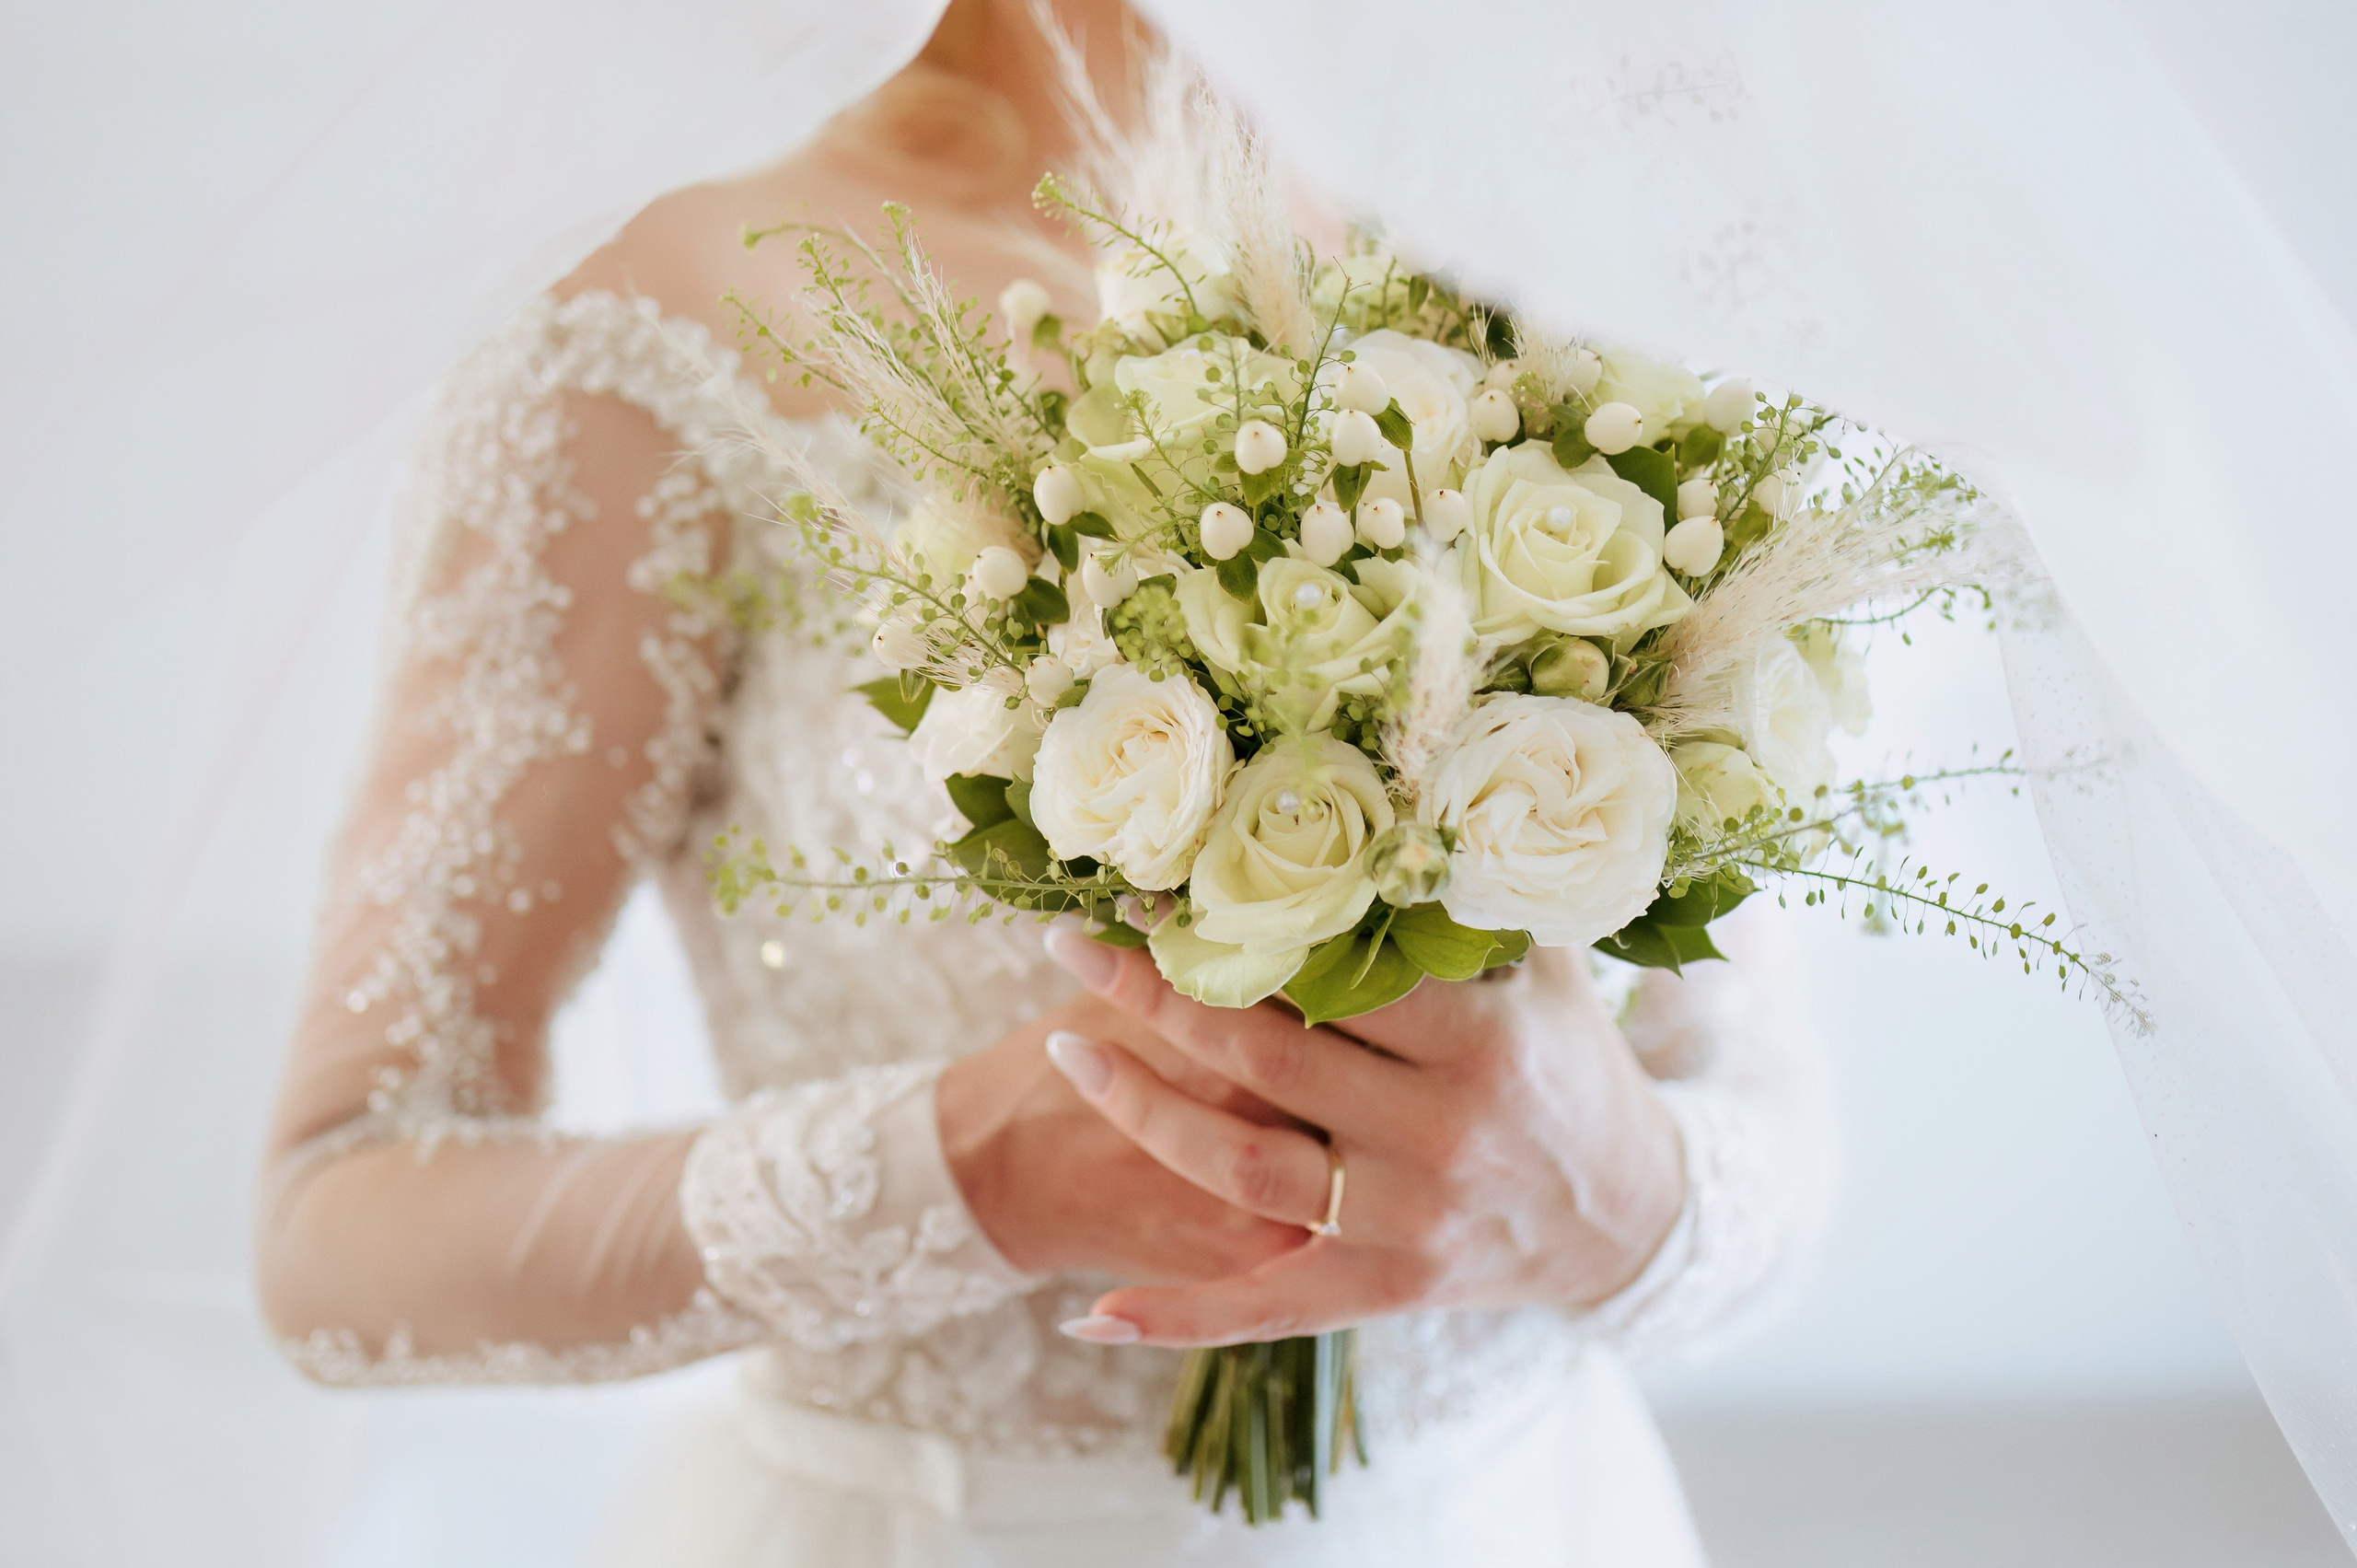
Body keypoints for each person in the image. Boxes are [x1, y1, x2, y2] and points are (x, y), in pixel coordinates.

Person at [252, 2, 1834, 1560]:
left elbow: (1760, 1126)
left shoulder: (1515, 251)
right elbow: (335, 1234)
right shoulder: (661, 322)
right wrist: (960, 1172)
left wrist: (1616, 1187)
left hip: (1520, 1517)